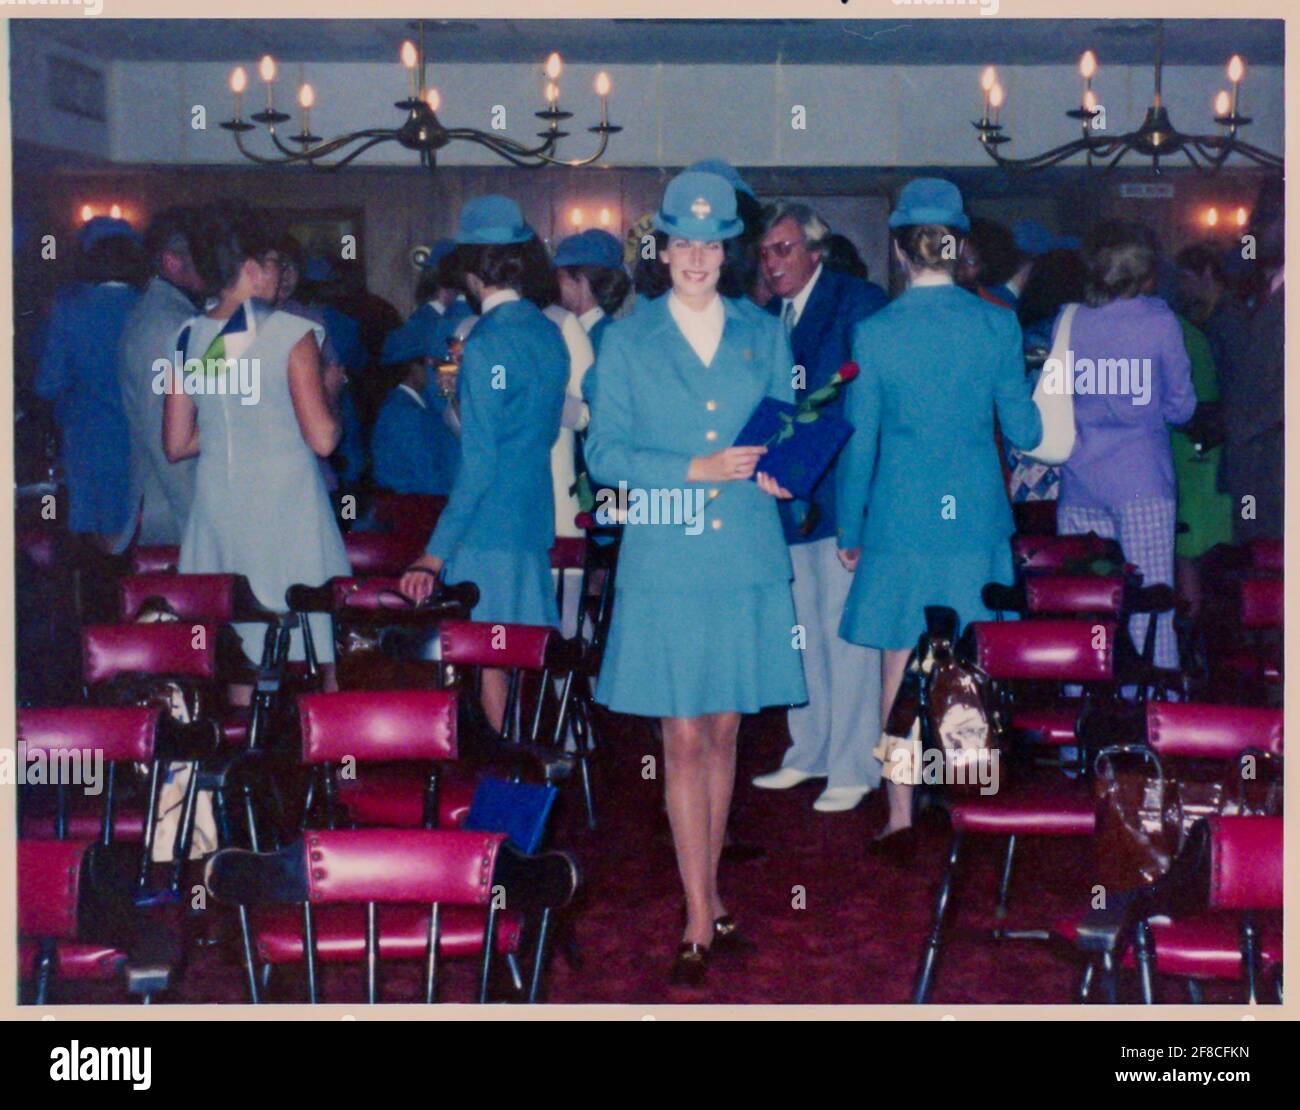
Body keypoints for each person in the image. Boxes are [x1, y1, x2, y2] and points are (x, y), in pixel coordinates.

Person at [584, 170, 807, 984]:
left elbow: (785, 423)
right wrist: (695, 467)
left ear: (728, 251)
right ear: (663, 249)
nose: (698, 257)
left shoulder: (763, 329)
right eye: (684, 243)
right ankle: (695, 908)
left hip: (745, 552)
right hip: (667, 553)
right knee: (679, 735)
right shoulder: (628, 340)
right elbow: (602, 455)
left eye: (712, 244)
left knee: (726, 731)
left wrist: (784, 471)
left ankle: (711, 899)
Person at [836, 178, 1042, 854]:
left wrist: (850, 529)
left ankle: (899, 813)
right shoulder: (996, 323)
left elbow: (858, 441)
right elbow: (1024, 428)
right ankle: (970, 802)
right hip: (974, 519)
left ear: (900, 252)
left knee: (898, 662)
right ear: (959, 249)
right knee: (972, 663)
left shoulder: (875, 331)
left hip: (898, 519)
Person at [163, 204, 350, 692]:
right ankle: (328, 756)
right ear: (250, 269)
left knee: (240, 653)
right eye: (273, 264)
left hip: (219, 513)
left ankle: (247, 760)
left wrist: (247, 423)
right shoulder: (290, 333)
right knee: (317, 651)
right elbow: (323, 439)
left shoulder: (189, 336)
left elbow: (178, 442)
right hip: (286, 512)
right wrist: (329, 390)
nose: (279, 274)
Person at [399, 196, 569, 731]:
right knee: (516, 655)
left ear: (472, 271)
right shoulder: (549, 333)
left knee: (488, 659)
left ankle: (505, 770)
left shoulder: (485, 342)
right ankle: (523, 761)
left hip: (487, 524)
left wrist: (432, 553)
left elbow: (478, 463)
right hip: (531, 516)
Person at [749, 202, 889, 814]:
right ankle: (810, 751)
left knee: (847, 635)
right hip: (785, 497)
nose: (773, 262)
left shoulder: (857, 302)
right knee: (801, 632)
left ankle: (856, 764)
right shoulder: (767, 318)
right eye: (765, 253)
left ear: (816, 250)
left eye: (783, 249)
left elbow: (858, 407)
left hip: (839, 495)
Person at [1054, 220, 1197, 669]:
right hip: (1141, 481)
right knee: (1152, 602)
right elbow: (1181, 407)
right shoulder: (1159, 322)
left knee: (1082, 605)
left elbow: (1057, 392)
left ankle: (1077, 713)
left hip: (1078, 480)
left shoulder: (1069, 318)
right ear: (1144, 270)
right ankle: (1155, 717)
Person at [36, 216, 146, 550]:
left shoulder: (70, 309)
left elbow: (48, 385)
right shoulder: (151, 307)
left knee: (96, 556)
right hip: (145, 447)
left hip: (91, 445)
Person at [113, 207, 204, 553]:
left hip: (174, 507)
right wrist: (200, 524)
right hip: (170, 513)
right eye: (202, 257)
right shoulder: (164, 324)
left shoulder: (172, 314)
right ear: (172, 261)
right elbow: (163, 436)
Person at [1215, 178, 1284, 544]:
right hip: (1257, 476)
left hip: (1275, 475)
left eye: (1266, 218)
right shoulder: (1266, 291)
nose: (1254, 229)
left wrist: (1236, 424)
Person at [369, 329, 459, 496]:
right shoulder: (407, 414)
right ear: (414, 369)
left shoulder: (408, 405)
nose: (442, 373)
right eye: (433, 366)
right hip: (415, 509)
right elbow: (429, 478)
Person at [555, 228, 631, 356]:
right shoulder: (611, 334)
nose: (555, 285)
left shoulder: (603, 341)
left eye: (560, 277)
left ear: (581, 280)